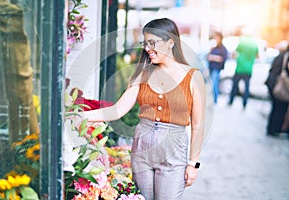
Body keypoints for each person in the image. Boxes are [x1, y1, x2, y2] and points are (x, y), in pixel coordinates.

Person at [72, 18, 206, 200]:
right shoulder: (143, 74)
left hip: (173, 153)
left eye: (153, 43)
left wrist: (193, 163)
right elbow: (117, 110)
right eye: (145, 43)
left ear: (170, 43)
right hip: (141, 150)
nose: (147, 48)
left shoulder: (193, 77)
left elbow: (198, 125)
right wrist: (80, 115)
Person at [228, 30, 259, 109]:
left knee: (235, 85)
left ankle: (231, 101)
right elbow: (258, 56)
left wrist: (238, 58)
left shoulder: (242, 41)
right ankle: (244, 104)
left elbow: (234, 53)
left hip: (240, 68)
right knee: (247, 87)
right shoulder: (254, 44)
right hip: (249, 69)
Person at [265, 43, 289, 136]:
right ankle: (275, 129)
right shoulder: (286, 56)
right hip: (279, 85)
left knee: (275, 108)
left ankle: (272, 129)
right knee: (280, 108)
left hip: (273, 84)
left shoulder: (281, 55)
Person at [207, 31, 228, 104]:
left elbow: (223, 58)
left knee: (214, 84)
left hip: (217, 68)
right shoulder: (214, 47)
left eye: (217, 38)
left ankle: (214, 100)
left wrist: (213, 57)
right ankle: (213, 99)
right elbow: (208, 56)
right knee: (212, 84)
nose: (215, 39)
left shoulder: (222, 48)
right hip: (211, 67)